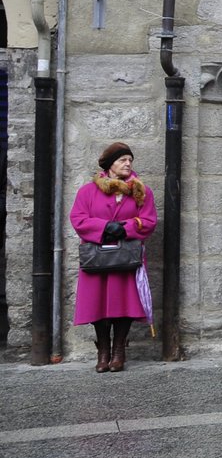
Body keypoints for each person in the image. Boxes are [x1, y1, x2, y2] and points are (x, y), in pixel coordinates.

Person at [70, 142, 158, 372]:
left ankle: (119, 350)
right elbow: (78, 218)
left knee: (125, 303)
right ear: (110, 165)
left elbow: (148, 220)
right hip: (97, 258)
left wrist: (127, 228)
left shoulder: (141, 191)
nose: (128, 163)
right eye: (122, 160)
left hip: (126, 257)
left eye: (130, 160)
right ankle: (103, 352)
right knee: (97, 304)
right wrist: (104, 227)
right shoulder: (87, 191)